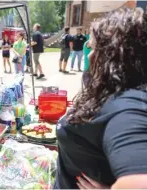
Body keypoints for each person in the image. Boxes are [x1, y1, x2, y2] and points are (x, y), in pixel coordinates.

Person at [54, 8, 147, 189]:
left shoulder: (126, 108)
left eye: (95, 48)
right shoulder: (120, 90)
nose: (89, 55)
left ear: (115, 54)